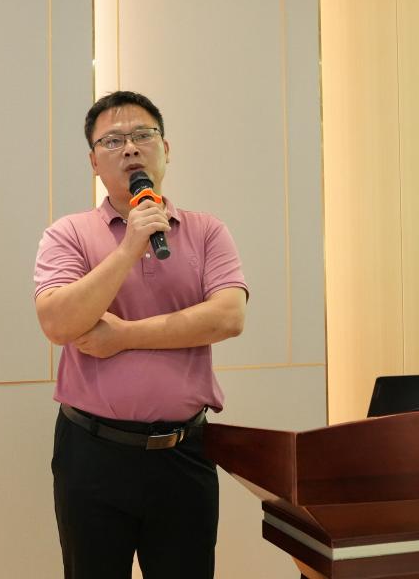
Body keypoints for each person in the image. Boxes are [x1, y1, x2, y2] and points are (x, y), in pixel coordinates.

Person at [33, 90, 249, 579]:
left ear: (165, 149)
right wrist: (129, 246)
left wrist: (124, 335)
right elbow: (58, 323)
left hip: (184, 454)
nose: (130, 147)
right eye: (112, 140)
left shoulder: (207, 231)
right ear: (94, 162)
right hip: (92, 454)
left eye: (142, 135)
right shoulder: (68, 234)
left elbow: (228, 317)